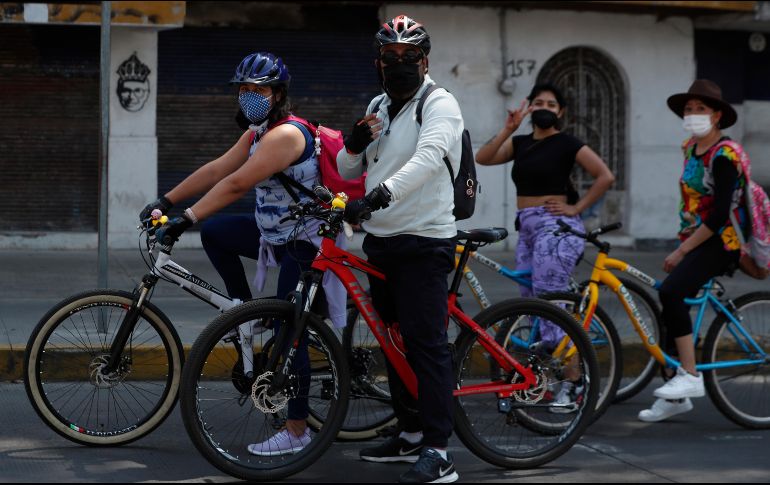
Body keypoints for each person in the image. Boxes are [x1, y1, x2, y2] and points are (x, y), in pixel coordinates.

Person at [139, 51, 345, 455]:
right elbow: (218, 169)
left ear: (278, 93)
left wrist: (186, 218)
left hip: (305, 241)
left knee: (292, 333)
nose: (250, 96)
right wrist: (165, 199)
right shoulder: (256, 133)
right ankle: (243, 312)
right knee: (216, 234)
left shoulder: (286, 135)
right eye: (244, 90)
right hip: (274, 234)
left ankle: (298, 430)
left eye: (259, 90)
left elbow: (235, 185)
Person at [336, 14, 462, 484]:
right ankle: (409, 434)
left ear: (425, 60)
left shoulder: (440, 103)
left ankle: (438, 450)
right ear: (379, 63)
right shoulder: (379, 103)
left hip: (425, 240)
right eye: (391, 58)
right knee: (392, 342)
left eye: (410, 57)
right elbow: (350, 170)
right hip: (382, 243)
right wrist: (352, 143)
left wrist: (377, 197)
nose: (400, 64)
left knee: (426, 346)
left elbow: (429, 158)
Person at [475, 83, 615, 409]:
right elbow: (483, 158)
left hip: (556, 226)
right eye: (538, 102)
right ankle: (553, 378)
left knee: (549, 304)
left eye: (551, 104)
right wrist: (508, 127)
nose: (544, 107)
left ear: (560, 112)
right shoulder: (521, 143)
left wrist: (575, 209)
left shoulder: (567, 143)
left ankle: (575, 381)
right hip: (527, 228)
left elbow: (604, 176)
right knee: (533, 304)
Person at [637, 79, 747, 422]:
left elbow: (718, 216)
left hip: (722, 242)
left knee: (671, 292)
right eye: (688, 110)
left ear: (717, 116)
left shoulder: (725, 155)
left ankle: (691, 376)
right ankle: (674, 396)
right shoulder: (690, 147)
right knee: (671, 306)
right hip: (698, 236)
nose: (693, 115)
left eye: (701, 109)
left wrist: (682, 251)